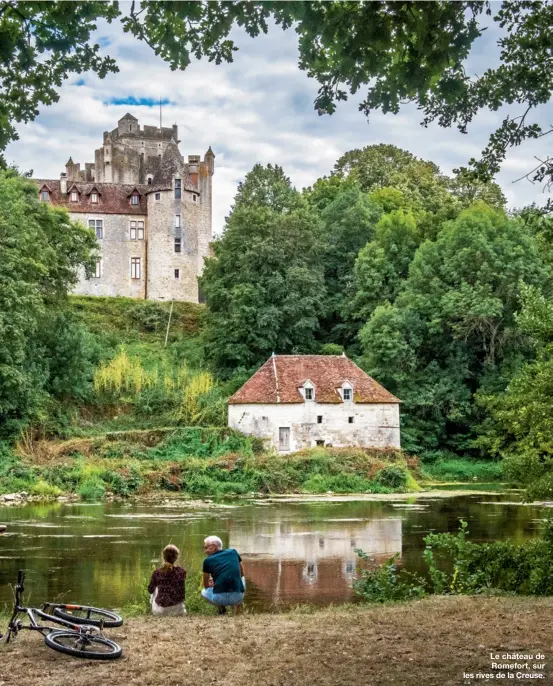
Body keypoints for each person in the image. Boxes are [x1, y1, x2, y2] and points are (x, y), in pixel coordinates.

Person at [201, 535, 245, 615]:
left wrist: (213, 585)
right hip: (237, 597)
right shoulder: (233, 552)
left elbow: (206, 585)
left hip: (219, 599)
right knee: (242, 578)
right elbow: (242, 573)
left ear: (213, 547)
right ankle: (238, 610)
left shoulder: (207, 561)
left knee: (204, 591)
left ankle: (221, 609)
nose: (205, 551)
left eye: (206, 547)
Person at [147, 544, 186, 616]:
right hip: (178, 611)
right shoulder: (182, 571)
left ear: (163, 557)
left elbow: (150, 590)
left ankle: (155, 610)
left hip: (160, 612)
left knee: (155, 588)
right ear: (176, 557)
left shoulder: (157, 572)